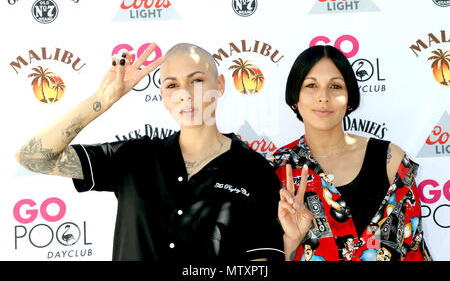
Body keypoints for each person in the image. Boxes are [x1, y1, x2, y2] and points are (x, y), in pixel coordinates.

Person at [15, 42, 284, 261]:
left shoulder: (255, 171)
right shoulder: (134, 157)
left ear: (221, 85)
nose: (185, 94)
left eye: (197, 80)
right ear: (163, 96)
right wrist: (101, 100)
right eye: (172, 85)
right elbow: (32, 157)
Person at [267, 45, 432, 261]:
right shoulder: (276, 169)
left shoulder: (390, 160)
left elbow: (414, 251)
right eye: (311, 85)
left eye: (335, 86)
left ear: (350, 98)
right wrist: (291, 242)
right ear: (295, 98)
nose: (323, 97)